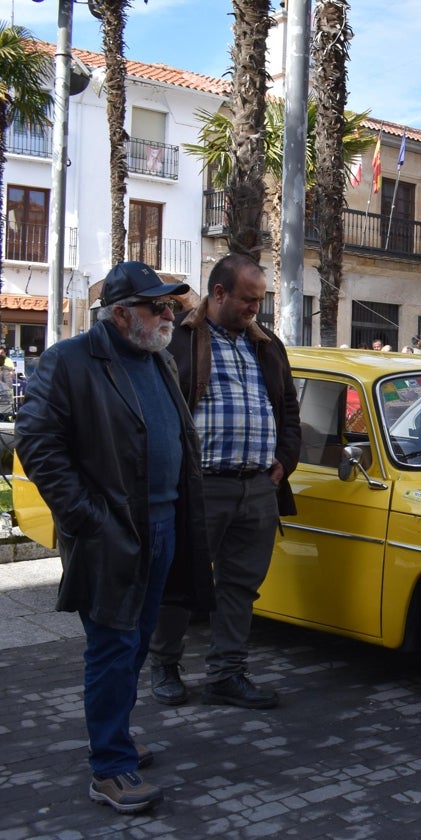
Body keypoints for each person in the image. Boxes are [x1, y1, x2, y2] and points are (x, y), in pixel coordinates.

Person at [16, 261, 213, 814]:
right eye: (157, 306)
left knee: (136, 644)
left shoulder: (157, 360)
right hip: (113, 531)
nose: (169, 314)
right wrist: (87, 519)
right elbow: (37, 444)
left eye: (171, 305)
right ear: (121, 313)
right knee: (112, 647)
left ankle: (117, 736)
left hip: (162, 525)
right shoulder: (70, 361)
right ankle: (109, 768)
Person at [149, 254, 301, 711]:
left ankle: (227, 675)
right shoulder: (177, 339)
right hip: (200, 487)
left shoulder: (267, 344)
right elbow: (154, 412)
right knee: (181, 582)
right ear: (218, 293)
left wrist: (285, 461)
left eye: (260, 300)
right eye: (248, 300)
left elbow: (289, 412)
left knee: (241, 586)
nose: (256, 308)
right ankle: (164, 666)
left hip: (257, 487)